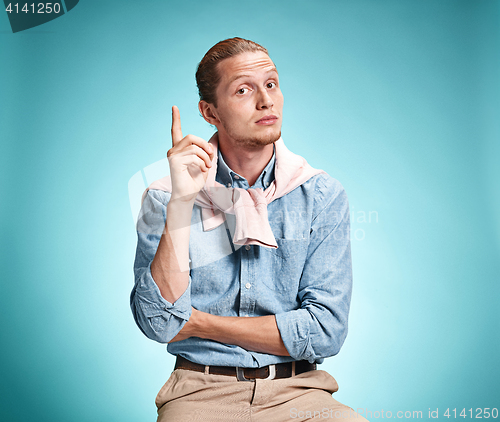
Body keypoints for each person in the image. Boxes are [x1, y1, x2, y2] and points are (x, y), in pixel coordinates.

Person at [131, 37, 367, 421]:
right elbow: (159, 323)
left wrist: (199, 323)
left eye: (271, 84)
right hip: (198, 393)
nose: (266, 101)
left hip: (300, 392)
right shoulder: (164, 197)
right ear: (210, 112)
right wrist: (181, 203)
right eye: (244, 89)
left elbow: (325, 331)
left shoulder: (322, 195)